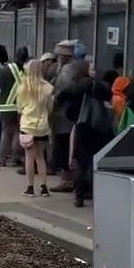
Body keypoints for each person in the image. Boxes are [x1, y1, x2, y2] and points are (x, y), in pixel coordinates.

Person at [65, 60, 113, 207]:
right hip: (98, 128)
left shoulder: (75, 86)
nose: (94, 71)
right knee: (95, 161)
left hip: (82, 126)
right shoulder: (100, 86)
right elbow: (109, 96)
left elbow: (69, 107)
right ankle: (94, 192)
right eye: (91, 68)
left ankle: (79, 195)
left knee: (81, 162)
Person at [16, 59, 53, 198]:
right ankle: (44, 188)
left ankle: (30, 188)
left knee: (29, 158)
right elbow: (50, 108)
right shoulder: (47, 88)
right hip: (42, 126)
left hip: (27, 126)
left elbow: (19, 107)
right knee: (40, 158)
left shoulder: (22, 87)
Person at [50, 41, 78, 189]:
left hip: (63, 114)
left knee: (64, 146)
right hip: (67, 114)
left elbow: (62, 88)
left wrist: (54, 96)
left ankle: (67, 179)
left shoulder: (66, 69)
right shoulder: (74, 67)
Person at [0, 47, 26, 165]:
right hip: (19, 106)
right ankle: (15, 157)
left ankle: (2, 158)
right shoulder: (27, 71)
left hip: (5, 105)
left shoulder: (6, 69)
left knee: (5, 132)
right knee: (17, 131)